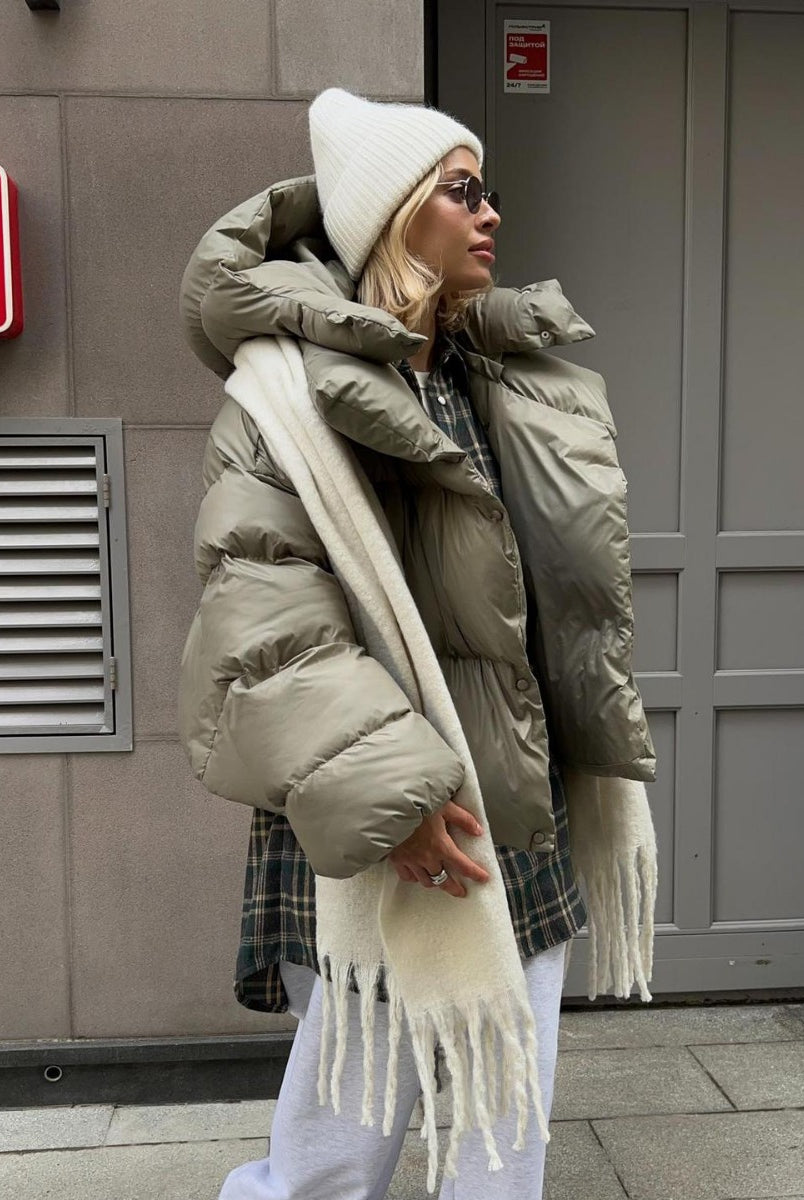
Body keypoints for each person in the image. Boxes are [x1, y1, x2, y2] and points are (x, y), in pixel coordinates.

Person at [177, 87, 657, 1200]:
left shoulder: (494, 378)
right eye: (461, 189)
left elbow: (559, 590)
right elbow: (265, 617)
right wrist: (391, 793)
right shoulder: (279, 396)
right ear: (395, 215)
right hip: (376, 806)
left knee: (504, 1142)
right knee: (336, 1161)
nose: (491, 212)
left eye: (487, 190)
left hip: (507, 802)